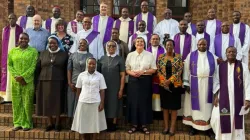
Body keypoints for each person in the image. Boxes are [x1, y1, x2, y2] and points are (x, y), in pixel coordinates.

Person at [210, 46, 250, 140]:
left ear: (236, 53)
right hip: (223, 98)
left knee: (236, 120)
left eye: (233, 52)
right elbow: (216, 82)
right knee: (217, 118)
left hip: (238, 99)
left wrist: (248, 99)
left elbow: (248, 83)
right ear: (226, 53)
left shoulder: (242, 66)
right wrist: (216, 95)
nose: (231, 53)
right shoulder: (220, 67)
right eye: (229, 52)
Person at [183, 39, 217, 138]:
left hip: (208, 84)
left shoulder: (212, 56)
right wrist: (186, 83)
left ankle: (208, 128)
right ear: (197, 45)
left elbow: (216, 72)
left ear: (207, 45)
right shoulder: (191, 55)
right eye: (200, 44)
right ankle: (194, 127)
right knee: (194, 106)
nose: (202, 46)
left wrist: (215, 86)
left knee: (207, 106)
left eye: (204, 44)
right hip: (194, 83)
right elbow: (186, 69)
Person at [36, 36, 68, 132]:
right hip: (44, 81)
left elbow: (67, 69)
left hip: (58, 81)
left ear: (58, 43)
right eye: (50, 43)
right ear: (48, 44)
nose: (52, 45)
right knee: (47, 102)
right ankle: (49, 123)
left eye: (54, 43)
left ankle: (58, 123)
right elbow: (38, 68)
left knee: (57, 101)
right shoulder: (43, 53)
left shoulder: (64, 54)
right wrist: (36, 82)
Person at [126, 37, 157, 134]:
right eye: (137, 42)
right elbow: (127, 69)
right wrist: (133, 73)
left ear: (144, 44)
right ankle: (134, 125)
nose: (139, 43)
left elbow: (154, 69)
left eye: (141, 42)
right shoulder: (130, 55)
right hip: (133, 81)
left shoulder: (150, 55)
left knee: (144, 103)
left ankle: (144, 125)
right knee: (134, 103)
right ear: (135, 44)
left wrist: (143, 71)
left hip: (145, 82)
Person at [8, 33, 38, 131]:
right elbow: (9, 65)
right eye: (21, 38)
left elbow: (33, 66)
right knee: (16, 103)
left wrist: (23, 77)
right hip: (15, 82)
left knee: (27, 103)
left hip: (27, 82)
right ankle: (17, 123)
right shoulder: (12, 51)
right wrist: (17, 77)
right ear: (18, 39)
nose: (23, 40)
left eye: (25, 39)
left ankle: (27, 123)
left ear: (28, 40)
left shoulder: (33, 51)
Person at [71, 57, 107, 140]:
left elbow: (102, 90)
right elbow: (78, 89)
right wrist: (78, 101)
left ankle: (94, 138)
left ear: (96, 65)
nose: (91, 65)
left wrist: (102, 103)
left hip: (96, 101)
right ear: (87, 64)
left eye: (93, 64)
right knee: (83, 122)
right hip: (83, 101)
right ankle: (84, 138)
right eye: (90, 63)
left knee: (95, 123)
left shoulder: (100, 76)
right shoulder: (81, 75)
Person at [157, 39, 183, 136]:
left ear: (173, 46)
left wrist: (170, 80)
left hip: (175, 86)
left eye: (171, 45)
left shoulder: (178, 57)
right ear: (165, 46)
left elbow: (179, 71)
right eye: (167, 45)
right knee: (165, 107)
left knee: (174, 107)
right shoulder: (160, 57)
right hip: (163, 85)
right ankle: (166, 127)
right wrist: (164, 81)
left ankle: (172, 127)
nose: (169, 47)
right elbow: (158, 70)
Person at [98, 40, 125, 132]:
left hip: (115, 86)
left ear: (116, 48)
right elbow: (98, 74)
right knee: (104, 103)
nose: (111, 48)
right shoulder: (101, 59)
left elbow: (122, 75)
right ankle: (104, 123)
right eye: (109, 46)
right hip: (103, 87)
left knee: (114, 104)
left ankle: (113, 123)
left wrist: (121, 89)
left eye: (113, 46)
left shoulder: (120, 59)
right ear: (106, 48)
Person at [67, 38, 93, 122]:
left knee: (82, 103)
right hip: (74, 82)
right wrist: (69, 82)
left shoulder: (90, 56)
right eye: (80, 43)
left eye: (84, 43)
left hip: (85, 83)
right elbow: (69, 70)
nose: (82, 44)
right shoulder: (73, 55)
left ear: (87, 45)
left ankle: (81, 122)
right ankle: (72, 123)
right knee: (72, 103)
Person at [0, 13, 23, 102]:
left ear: (16, 19)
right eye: (9, 18)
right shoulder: (4, 30)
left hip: (16, 56)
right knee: (6, 75)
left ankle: (15, 96)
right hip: (7, 56)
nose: (11, 20)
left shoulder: (20, 29)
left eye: (13, 18)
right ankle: (6, 97)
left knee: (15, 74)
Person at [146, 34, 165, 112]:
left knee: (158, 91)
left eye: (156, 39)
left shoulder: (163, 50)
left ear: (159, 40)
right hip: (148, 75)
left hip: (159, 75)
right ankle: (150, 109)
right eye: (153, 39)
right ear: (150, 41)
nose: (155, 40)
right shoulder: (146, 50)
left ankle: (158, 109)